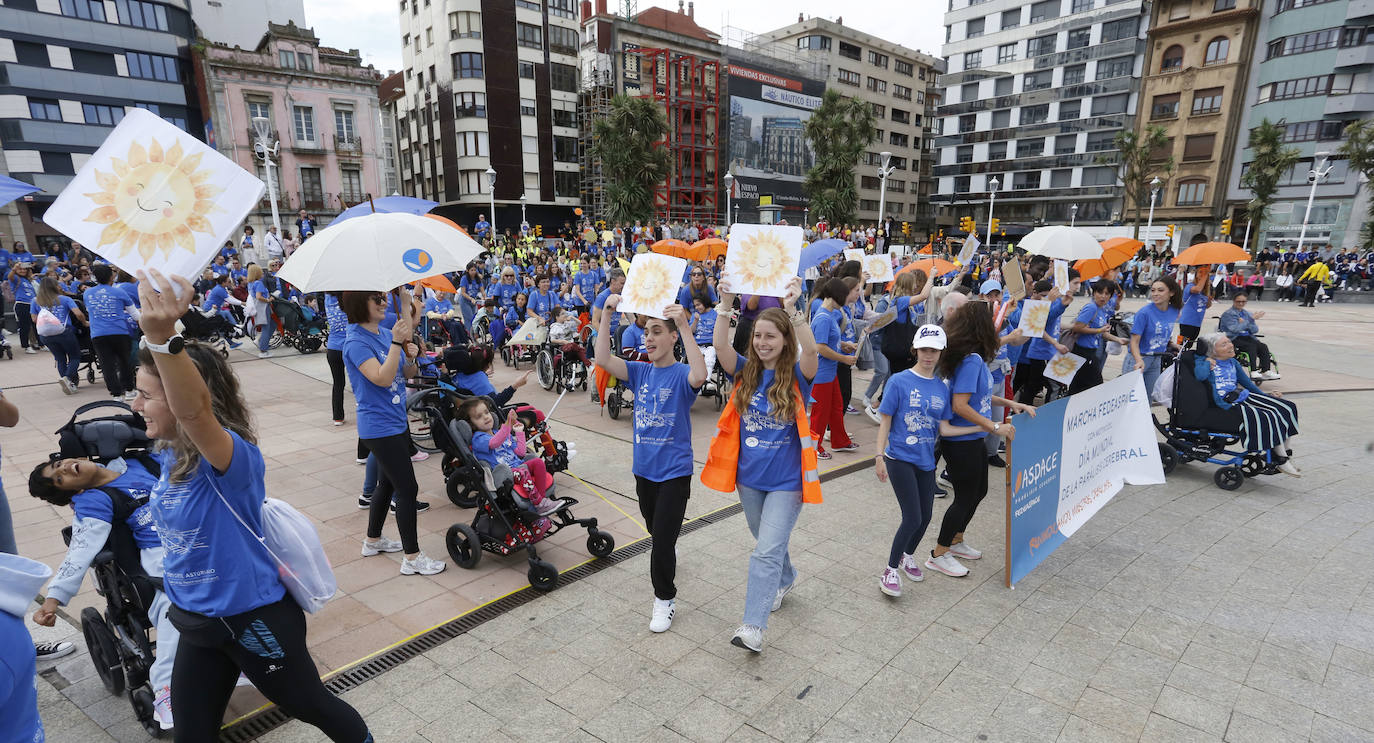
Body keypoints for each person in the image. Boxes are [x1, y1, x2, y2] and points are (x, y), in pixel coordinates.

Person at [130, 269, 371, 742]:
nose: (135, 404)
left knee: (311, 705)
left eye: (144, 394)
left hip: (252, 620)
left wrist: (162, 341)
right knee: (191, 736)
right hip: (195, 623)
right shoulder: (167, 457)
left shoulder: (231, 461)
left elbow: (194, 412)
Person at [705, 277, 818, 653]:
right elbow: (720, 344)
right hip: (748, 481)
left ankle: (752, 627)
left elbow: (813, 354)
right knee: (767, 542)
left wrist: (794, 311)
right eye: (758, 336)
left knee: (765, 550)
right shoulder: (745, 372)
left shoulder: (799, 377)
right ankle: (785, 577)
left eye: (771, 336)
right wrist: (725, 301)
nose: (762, 342)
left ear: (785, 339)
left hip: (787, 483)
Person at [28, 455, 179, 728]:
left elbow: (181, 451)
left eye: (59, 464)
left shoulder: (138, 462)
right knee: (175, 608)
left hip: (197, 531)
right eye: (60, 479)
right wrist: (52, 601)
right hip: (160, 552)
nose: (63, 468)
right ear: (78, 491)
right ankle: (166, 687)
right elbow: (80, 550)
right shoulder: (94, 500)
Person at [594, 294, 707, 635]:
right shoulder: (640, 372)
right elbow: (601, 357)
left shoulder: (683, 373)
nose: (650, 338)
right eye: (647, 332)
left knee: (660, 542)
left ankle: (664, 597)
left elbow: (701, 374)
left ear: (672, 337)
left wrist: (685, 325)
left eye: (658, 331)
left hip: (675, 471)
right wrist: (608, 314)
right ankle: (666, 553)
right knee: (656, 531)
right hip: (643, 470)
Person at [340, 289, 446, 576]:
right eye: (376, 299)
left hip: (396, 420)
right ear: (359, 305)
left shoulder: (383, 333)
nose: (383, 302)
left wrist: (411, 355)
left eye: (382, 297)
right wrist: (399, 343)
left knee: (386, 485)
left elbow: (406, 374)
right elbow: (382, 378)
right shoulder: (355, 342)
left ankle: (372, 541)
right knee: (407, 488)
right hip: (378, 426)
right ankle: (412, 558)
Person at [873, 324, 984, 596]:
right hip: (899, 458)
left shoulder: (940, 388)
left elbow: (944, 429)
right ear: (915, 350)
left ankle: (907, 555)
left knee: (926, 517)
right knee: (911, 518)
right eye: (924, 349)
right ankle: (890, 571)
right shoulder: (899, 381)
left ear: (941, 353)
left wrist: (983, 427)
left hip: (926, 461)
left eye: (934, 350)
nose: (928, 355)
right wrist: (878, 456)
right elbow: (885, 422)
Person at [928, 300, 1034, 578]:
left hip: (973, 438)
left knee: (980, 491)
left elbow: (982, 395)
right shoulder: (971, 361)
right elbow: (961, 404)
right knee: (964, 497)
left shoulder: (971, 358)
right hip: (962, 440)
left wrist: (1012, 404)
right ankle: (939, 554)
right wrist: (994, 426)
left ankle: (956, 539)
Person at [1195, 333, 1300, 476]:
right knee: (1269, 415)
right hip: (1226, 402)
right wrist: (1207, 361)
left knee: (1286, 407)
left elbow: (1248, 384)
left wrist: (1266, 397)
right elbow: (1200, 375)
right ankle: (1281, 459)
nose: (1230, 345)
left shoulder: (1233, 362)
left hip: (1241, 395)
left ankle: (1286, 453)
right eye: (1224, 344)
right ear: (1213, 350)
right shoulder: (1204, 361)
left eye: (1229, 342)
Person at [458, 399, 565, 516]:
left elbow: (521, 452)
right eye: (479, 416)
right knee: (522, 471)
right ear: (472, 424)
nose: (485, 417)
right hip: (503, 474)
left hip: (518, 467)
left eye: (487, 412)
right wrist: (507, 425)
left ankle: (542, 501)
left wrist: (519, 432)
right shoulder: (478, 439)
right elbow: (494, 443)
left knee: (538, 462)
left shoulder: (500, 433)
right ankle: (540, 503)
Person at [809, 277, 859, 459]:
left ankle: (840, 440)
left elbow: (828, 342)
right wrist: (844, 358)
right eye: (845, 296)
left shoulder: (828, 315)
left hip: (829, 373)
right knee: (820, 413)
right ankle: (814, 447)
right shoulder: (823, 318)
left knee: (836, 407)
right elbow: (820, 347)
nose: (847, 301)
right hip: (822, 373)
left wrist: (844, 344)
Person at [86, 264, 142, 398]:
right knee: (124, 361)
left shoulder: (87, 293)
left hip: (98, 334)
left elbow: (90, 311)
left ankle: (116, 394)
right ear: (112, 276)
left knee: (107, 364)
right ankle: (129, 390)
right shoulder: (119, 292)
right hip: (119, 332)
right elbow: (135, 315)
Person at [1127, 276, 1183, 398]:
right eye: (1153, 290)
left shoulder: (1174, 311)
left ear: (1172, 293)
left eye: (1160, 290)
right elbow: (1134, 341)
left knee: (1147, 400)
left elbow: (1162, 332)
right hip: (1139, 359)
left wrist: (1171, 344)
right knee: (1130, 400)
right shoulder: (1144, 313)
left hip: (1157, 360)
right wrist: (1138, 360)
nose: (1155, 294)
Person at [1068, 280, 1124, 394]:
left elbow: (1102, 333)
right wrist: (1099, 330)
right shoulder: (1091, 308)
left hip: (1090, 352)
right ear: (1094, 293)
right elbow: (1077, 328)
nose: (1103, 296)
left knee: (1079, 385)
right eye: (1100, 292)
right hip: (1083, 352)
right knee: (1095, 385)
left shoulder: (1101, 310)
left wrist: (1118, 339)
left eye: (1107, 294)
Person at [34, 275, 87, 395]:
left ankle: (68, 383)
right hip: (64, 332)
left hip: (45, 335)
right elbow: (78, 314)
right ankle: (67, 378)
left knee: (59, 358)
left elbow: (34, 318)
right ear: (55, 287)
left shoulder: (36, 301)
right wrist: (84, 322)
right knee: (74, 357)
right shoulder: (64, 299)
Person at [1219, 293, 1279, 380]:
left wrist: (1245, 322)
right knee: (1251, 346)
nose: (1241, 303)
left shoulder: (1247, 313)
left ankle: (1266, 371)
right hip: (1232, 338)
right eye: (1238, 301)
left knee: (1263, 346)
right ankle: (1253, 371)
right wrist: (1249, 321)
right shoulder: (1229, 314)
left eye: (1243, 301)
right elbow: (1235, 329)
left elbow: (1254, 330)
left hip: (1246, 337)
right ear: (1234, 301)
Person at [452, 346, 532, 406]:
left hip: (471, 412)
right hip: (488, 414)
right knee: (532, 411)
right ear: (487, 364)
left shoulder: (459, 374)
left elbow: (472, 384)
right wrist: (516, 385)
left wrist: (484, 375)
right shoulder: (479, 378)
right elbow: (496, 402)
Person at [325, 293, 350, 426]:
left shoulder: (327, 299)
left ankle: (338, 417)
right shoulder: (348, 297)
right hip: (349, 345)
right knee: (359, 380)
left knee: (338, 383)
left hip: (333, 347)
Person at [8, 262, 40, 353]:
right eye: (20, 269)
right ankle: (26, 346)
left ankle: (41, 344)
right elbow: (10, 277)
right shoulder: (15, 278)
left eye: (24, 269)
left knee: (36, 325)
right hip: (22, 304)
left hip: (32, 305)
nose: (23, 271)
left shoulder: (27, 280)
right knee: (24, 326)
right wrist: (14, 268)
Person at [246, 265, 274, 359]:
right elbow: (259, 296)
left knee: (271, 325)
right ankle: (263, 350)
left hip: (258, 308)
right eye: (260, 271)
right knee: (266, 328)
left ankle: (262, 342)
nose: (262, 273)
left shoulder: (251, 283)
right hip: (263, 307)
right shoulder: (259, 283)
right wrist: (268, 300)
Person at [1177, 271, 1213, 344]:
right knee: (1182, 345)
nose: (1202, 275)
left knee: (1190, 344)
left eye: (1205, 274)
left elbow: (1207, 306)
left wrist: (1208, 298)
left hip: (1197, 322)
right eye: (1200, 272)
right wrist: (1204, 276)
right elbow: (1197, 289)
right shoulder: (1190, 286)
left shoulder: (1204, 291)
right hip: (1187, 321)